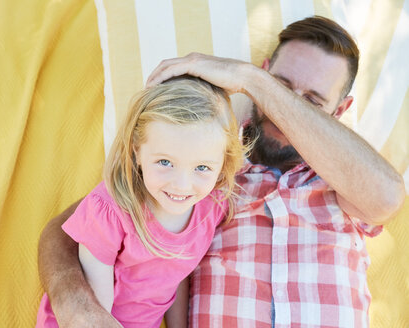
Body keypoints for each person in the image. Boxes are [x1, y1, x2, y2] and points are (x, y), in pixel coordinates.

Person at [38, 16, 405, 327]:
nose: (283, 111)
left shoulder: (348, 180)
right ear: (265, 71)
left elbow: (387, 197)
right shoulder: (203, 160)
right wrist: (78, 307)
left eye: (311, 101)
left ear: (341, 110)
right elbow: (74, 228)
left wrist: (254, 82)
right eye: (281, 85)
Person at [36, 77, 247, 328]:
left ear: (223, 164)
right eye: (165, 162)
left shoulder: (212, 205)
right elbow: (95, 316)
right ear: (136, 151)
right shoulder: (109, 213)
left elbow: (176, 274)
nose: (181, 185)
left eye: (201, 167)